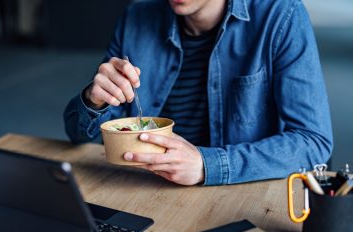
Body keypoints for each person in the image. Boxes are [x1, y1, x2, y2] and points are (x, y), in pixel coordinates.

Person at [64, 0, 333, 186]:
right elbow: (77, 136)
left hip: (236, 193)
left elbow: (314, 142)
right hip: (145, 186)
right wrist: (93, 101)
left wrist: (207, 165)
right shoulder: (137, 15)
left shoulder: (281, 14)